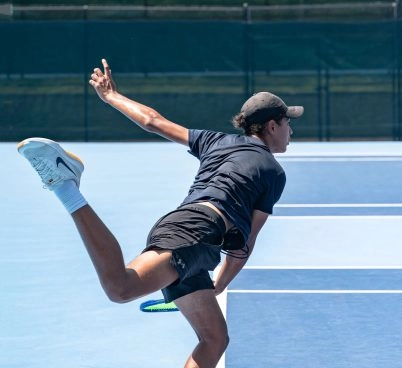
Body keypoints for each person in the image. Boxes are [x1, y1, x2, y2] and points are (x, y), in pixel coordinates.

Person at [17, 58, 304, 368]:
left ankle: (66, 186)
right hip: (196, 233)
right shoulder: (273, 172)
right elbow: (243, 246)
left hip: (187, 229)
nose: (291, 128)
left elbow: (153, 121)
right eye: (288, 121)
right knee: (120, 287)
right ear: (272, 126)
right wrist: (219, 284)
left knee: (215, 338)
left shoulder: (216, 141)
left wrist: (112, 96)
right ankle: (66, 186)